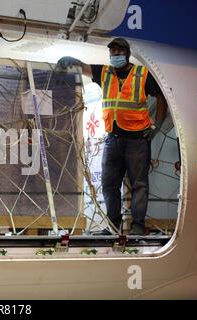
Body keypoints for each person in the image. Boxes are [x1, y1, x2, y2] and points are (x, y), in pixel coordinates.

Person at [57, 37, 168, 235]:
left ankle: (137, 226)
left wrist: (157, 126)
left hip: (137, 140)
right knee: (109, 185)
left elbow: (161, 97)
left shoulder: (141, 74)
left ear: (127, 53)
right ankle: (112, 226)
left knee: (139, 185)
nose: (115, 55)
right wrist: (69, 59)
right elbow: (84, 67)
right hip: (113, 139)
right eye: (112, 52)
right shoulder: (105, 72)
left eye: (119, 51)